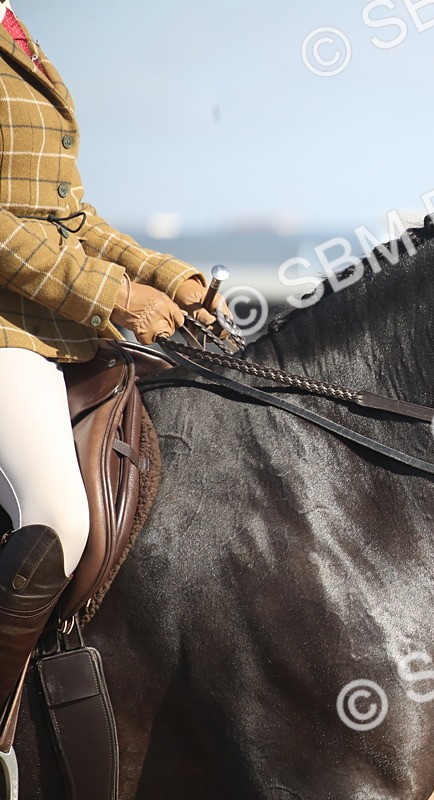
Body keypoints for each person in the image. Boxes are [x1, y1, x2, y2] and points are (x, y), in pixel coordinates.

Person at [0, 1, 227, 715]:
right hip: (8, 333)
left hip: (52, 324)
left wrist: (161, 275)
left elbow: (64, 213)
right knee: (57, 517)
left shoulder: (18, 34)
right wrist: (113, 296)